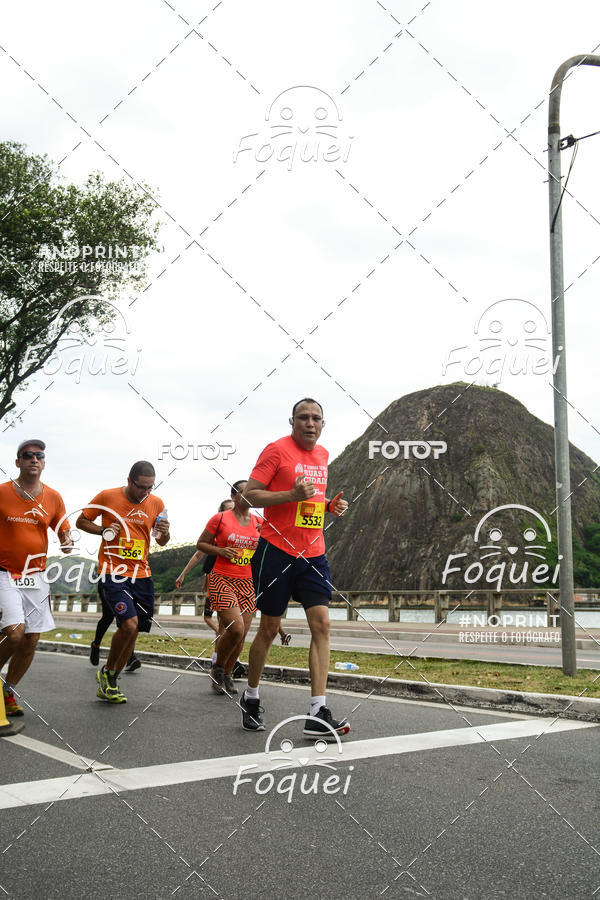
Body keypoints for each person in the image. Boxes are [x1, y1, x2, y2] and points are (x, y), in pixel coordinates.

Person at [241, 398, 349, 737]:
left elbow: (311, 501)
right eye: (303, 417)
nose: (310, 423)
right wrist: (289, 494)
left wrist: (330, 506)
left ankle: (318, 711)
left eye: (317, 418)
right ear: (292, 421)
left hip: (314, 554)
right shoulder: (276, 451)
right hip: (277, 552)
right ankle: (252, 695)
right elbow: (249, 497)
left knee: (323, 624)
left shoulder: (323, 455)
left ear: (323, 424)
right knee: (270, 629)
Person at [76, 461, 169, 703]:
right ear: (129, 481)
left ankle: (110, 675)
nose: (145, 493)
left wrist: (165, 531)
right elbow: (81, 522)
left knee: (135, 630)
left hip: (142, 574)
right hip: (113, 571)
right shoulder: (108, 496)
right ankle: (109, 673)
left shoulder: (157, 503)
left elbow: (161, 541)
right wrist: (103, 530)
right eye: (141, 487)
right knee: (128, 624)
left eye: (150, 487)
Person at [0, 440, 72, 716]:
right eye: (27, 455)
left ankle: (8, 691)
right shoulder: (3, 492)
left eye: (39, 455)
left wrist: (67, 539)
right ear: (17, 462)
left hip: (36, 575)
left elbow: (63, 530)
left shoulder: (53, 497)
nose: (34, 459)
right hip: (5, 571)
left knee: (31, 638)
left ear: (43, 462)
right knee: (15, 634)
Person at [195, 480, 260, 695]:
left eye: (252, 492)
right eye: (244, 492)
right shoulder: (220, 518)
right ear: (233, 496)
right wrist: (221, 551)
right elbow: (201, 544)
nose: (249, 496)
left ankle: (227, 673)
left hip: (247, 582)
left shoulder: (259, 522)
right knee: (236, 628)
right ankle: (218, 668)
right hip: (222, 578)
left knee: (241, 636)